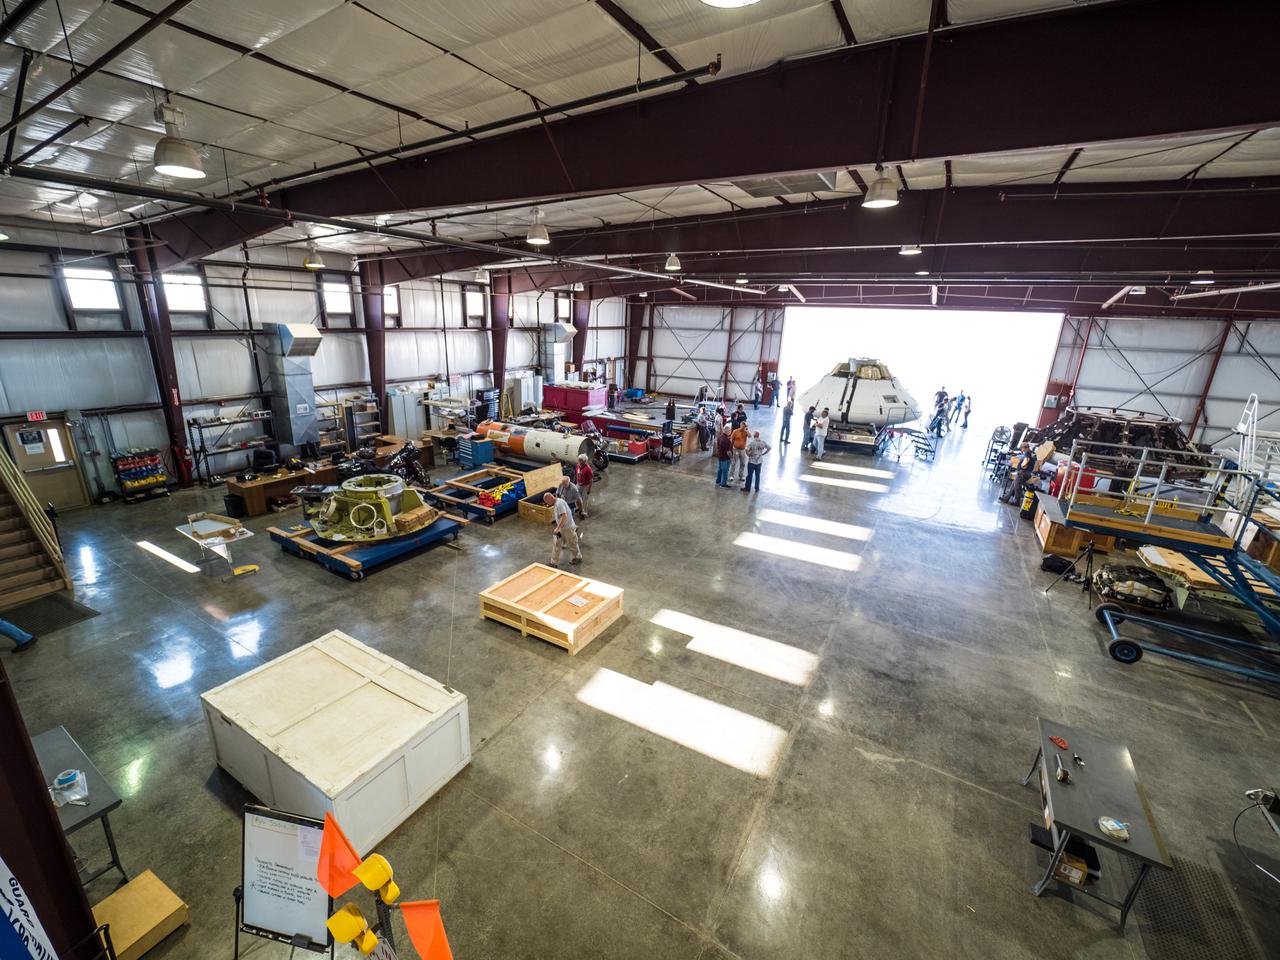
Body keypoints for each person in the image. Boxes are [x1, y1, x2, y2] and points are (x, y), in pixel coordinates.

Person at [543, 492, 582, 566]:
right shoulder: (557, 503)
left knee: (572, 543)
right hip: (562, 528)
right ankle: (553, 562)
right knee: (556, 543)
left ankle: (578, 557)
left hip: (567, 528)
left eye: (547, 502)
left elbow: (564, 516)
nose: (547, 504)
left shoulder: (559, 504)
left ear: (549, 498)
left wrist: (558, 528)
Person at [574, 453, 594, 518]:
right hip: (578, 483)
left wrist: (589, 489)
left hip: (585, 485)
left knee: (584, 499)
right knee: (577, 497)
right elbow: (576, 474)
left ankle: (584, 512)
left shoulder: (588, 469)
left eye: (581, 460)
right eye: (579, 460)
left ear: (585, 461)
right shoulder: (577, 466)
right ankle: (579, 508)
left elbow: (591, 480)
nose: (579, 461)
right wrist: (575, 483)